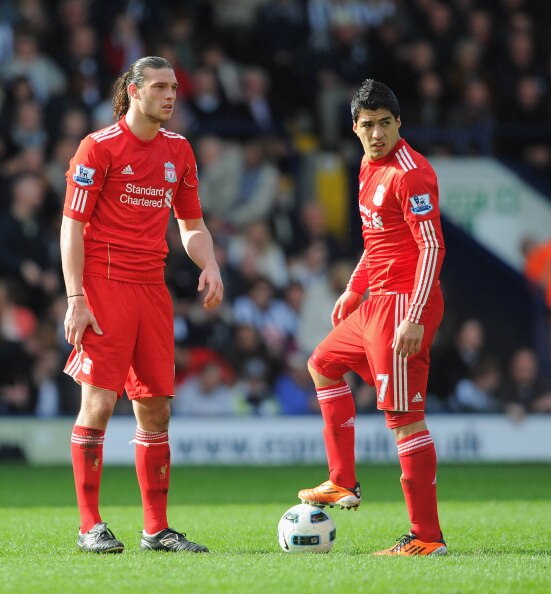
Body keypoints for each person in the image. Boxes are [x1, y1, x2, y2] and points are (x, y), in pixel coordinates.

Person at [60, 56, 223, 554]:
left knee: (155, 410)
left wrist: (210, 263)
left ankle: (156, 529)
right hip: (104, 285)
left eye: (174, 87)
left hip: (152, 288)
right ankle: (90, 525)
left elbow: (190, 226)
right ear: (133, 91)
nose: (171, 95)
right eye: (159, 86)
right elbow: (73, 226)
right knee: (101, 402)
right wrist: (75, 297)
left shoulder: (180, 151)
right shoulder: (99, 146)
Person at [297, 79, 447, 556]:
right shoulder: (366, 165)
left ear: (399, 123)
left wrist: (415, 313)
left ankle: (426, 537)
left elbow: (431, 246)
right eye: (368, 125)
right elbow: (378, 238)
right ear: (355, 128)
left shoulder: (411, 173)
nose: (377, 133)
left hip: (404, 303)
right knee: (321, 363)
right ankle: (342, 481)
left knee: (404, 419)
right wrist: (353, 287)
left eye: (385, 123)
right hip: (376, 300)